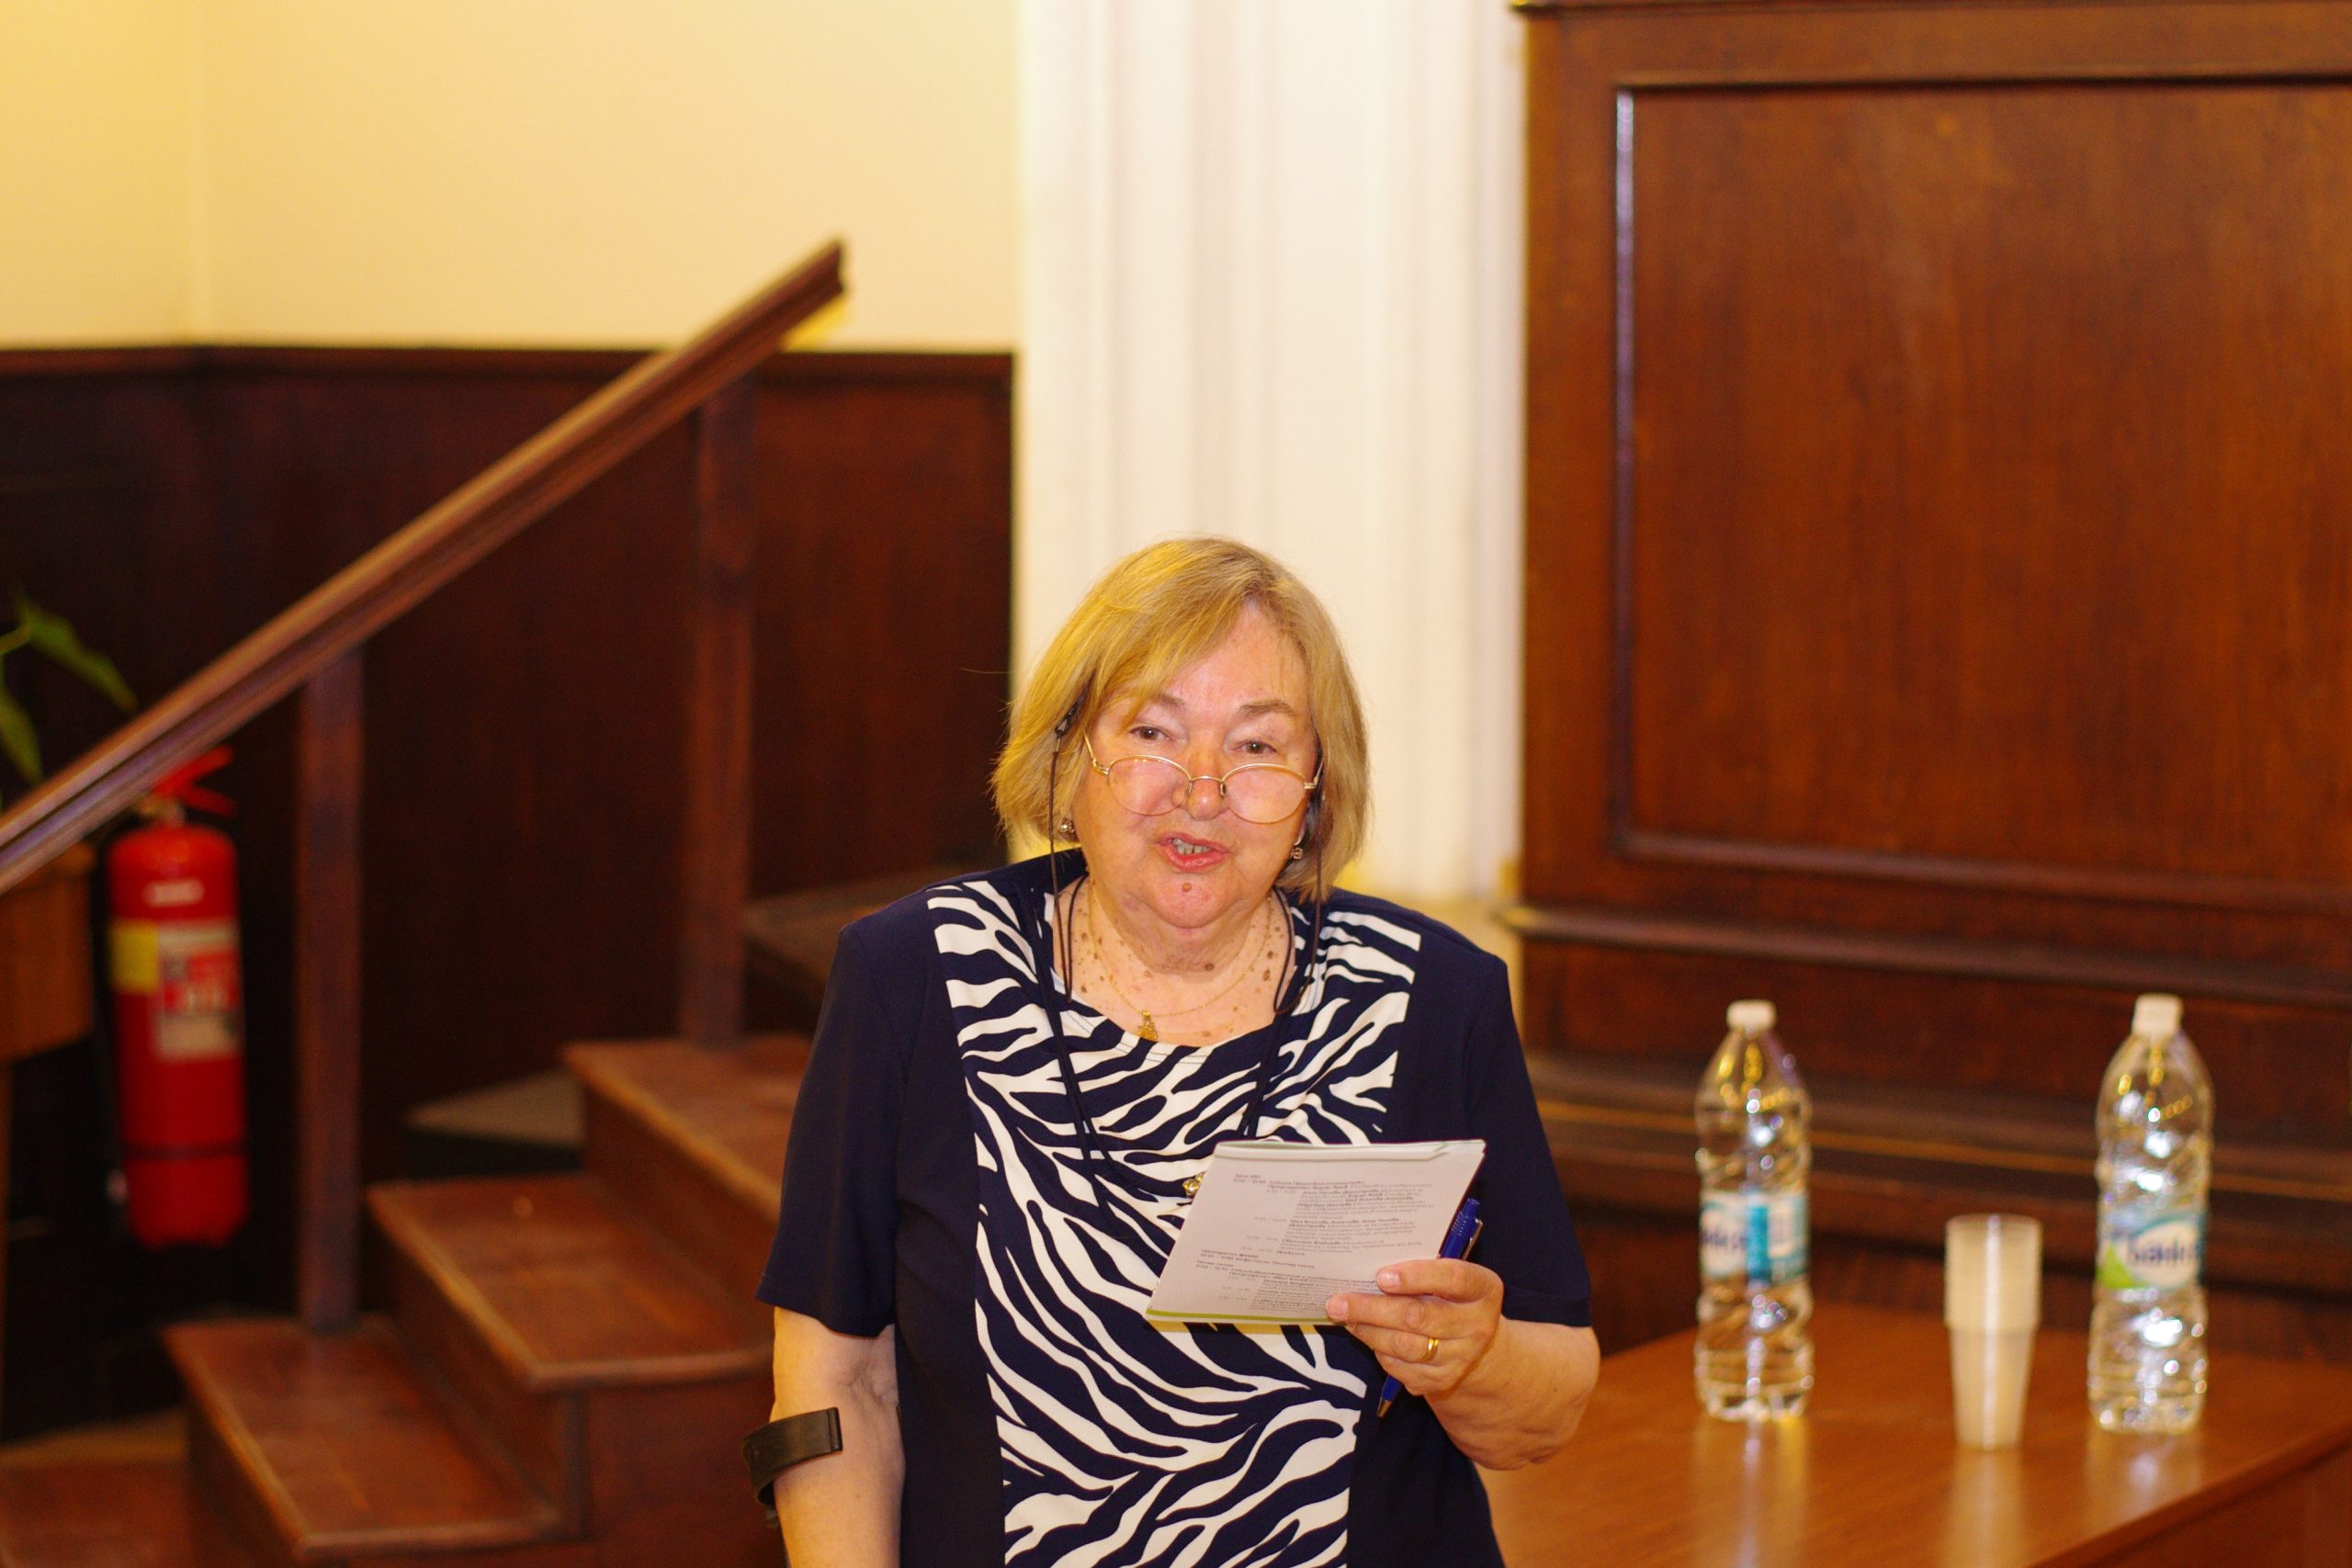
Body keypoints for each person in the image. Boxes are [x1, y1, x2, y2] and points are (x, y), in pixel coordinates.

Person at [759, 537, 1598, 1567]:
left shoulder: (1431, 997)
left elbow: (1547, 1407)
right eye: (1154, 732)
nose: (1202, 790)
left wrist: (1468, 1356)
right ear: (1067, 755)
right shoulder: (916, 979)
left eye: (1257, 746)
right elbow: (836, 1383)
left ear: (1314, 790)